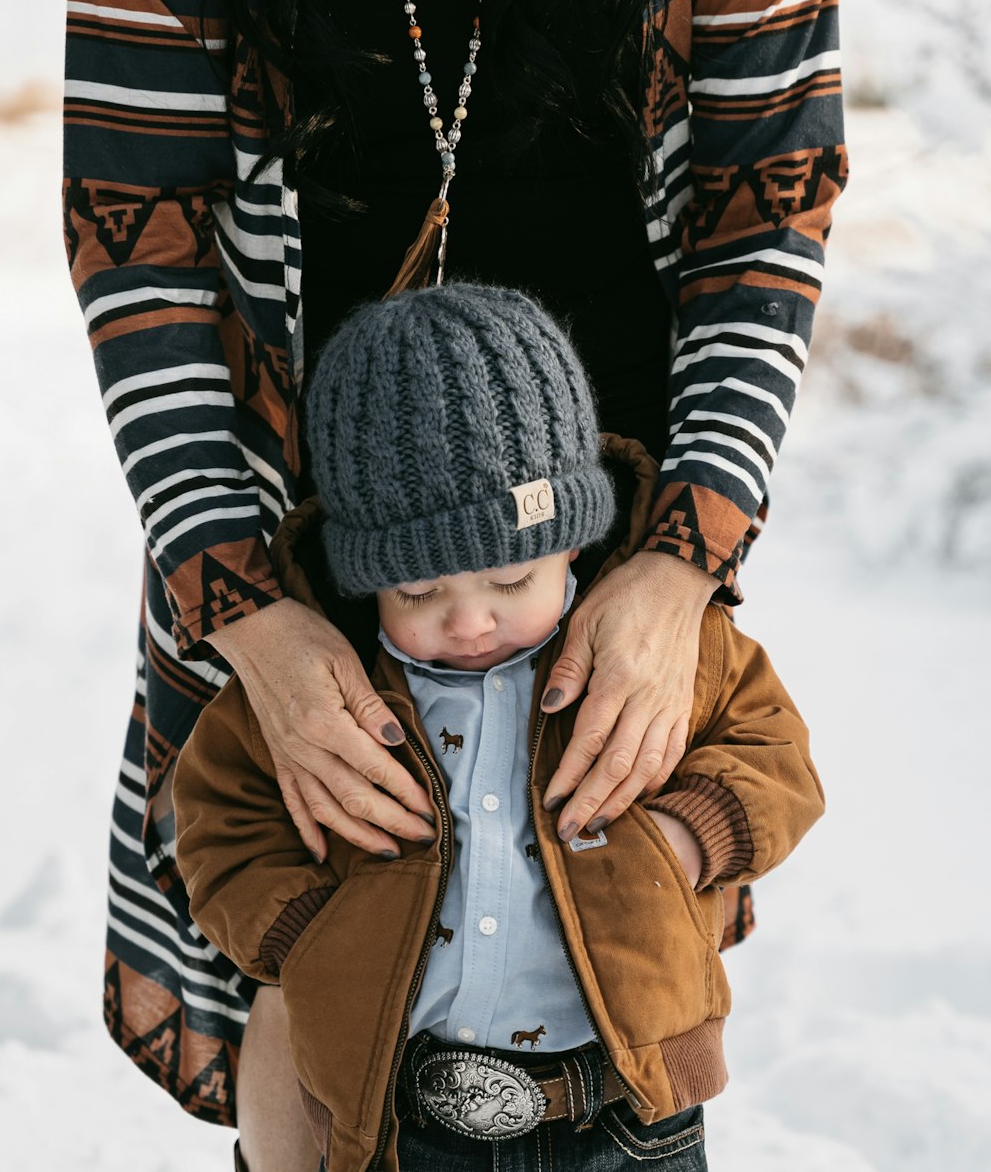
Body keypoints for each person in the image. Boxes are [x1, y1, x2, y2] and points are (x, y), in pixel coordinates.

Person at [63, 0, 846, 1157]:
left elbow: (768, 210)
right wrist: (244, 605)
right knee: (318, 871)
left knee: (597, 918)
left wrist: (681, 558)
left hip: (598, 497)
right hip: (290, 483)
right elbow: (135, 227)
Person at [173, 283, 825, 1172]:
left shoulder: (663, 655)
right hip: (405, 1115)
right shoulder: (326, 692)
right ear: (367, 585)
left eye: (510, 583)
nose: (469, 622)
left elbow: (777, 758)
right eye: (418, 593)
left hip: (631, 1115)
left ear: (572, 546)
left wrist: (683, 840)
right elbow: (219, 819)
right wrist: (309, 936)